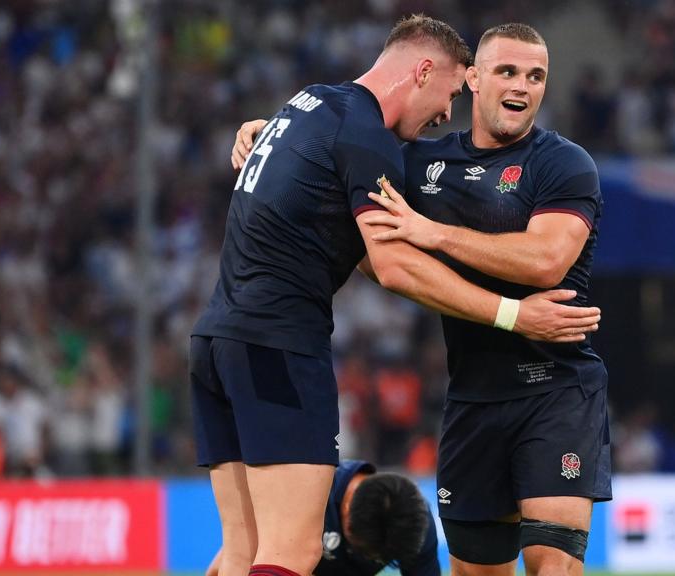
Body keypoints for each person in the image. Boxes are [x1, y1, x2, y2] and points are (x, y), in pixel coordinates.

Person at [196, 15, 600, 576]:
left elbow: (547, 261)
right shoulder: (415, 161)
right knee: (286, 553)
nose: (521, 86)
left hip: (553, 391)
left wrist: (433, 234)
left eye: (536, 76)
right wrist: (267, 130)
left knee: (552, 564)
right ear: (472, 80)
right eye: (504, 72)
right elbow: (358, 206)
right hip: (461, 398)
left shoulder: (563, 162)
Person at [206, 460, 438, 576]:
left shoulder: (411, 524)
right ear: (346, 511)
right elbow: (231, 560)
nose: (374, 560)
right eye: (368, 552)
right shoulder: (306, 496)